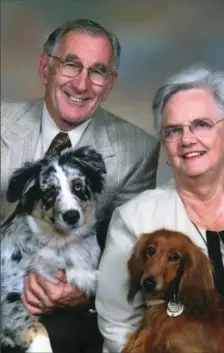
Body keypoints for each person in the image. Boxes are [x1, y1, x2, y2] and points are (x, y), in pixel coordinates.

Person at [1, 19, 160, 353]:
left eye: (97, 71)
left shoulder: (137, 150)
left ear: (110, 83)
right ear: (45, 68)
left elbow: (129, 253)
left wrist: (81, 293)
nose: (82, 83)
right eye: (71, 64)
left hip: (63, 307)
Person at [96, 64, 224, 352]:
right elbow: (117, 326)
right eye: (174, 130)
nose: (187, 139)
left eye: (201, 124)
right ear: (165, 143)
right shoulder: (135, 218)